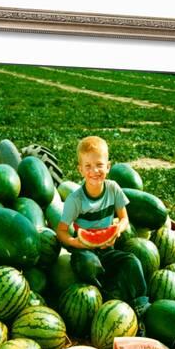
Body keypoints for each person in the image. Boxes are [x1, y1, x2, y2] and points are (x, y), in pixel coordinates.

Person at [56, 136, 150, 325]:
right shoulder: (75, 200)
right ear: (80, 169)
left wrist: (118, 230)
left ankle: (142, 305)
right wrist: (77, 242)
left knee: (132, 261)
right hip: (84, 252)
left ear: (108, 166)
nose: (94, 171)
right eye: (88, 166)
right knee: (88, 264)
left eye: (99, 165)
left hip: (108, 249)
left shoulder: (113, 189)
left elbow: (124, 218)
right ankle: (106, 298)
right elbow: (61, 232)